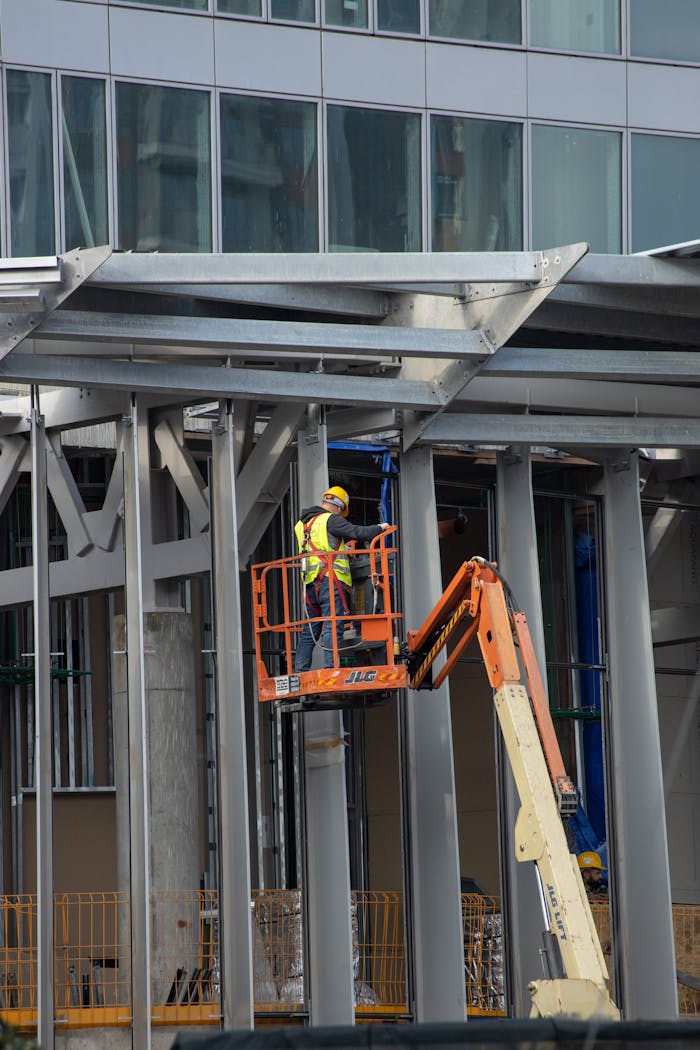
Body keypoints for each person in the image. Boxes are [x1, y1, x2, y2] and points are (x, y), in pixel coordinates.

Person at [293, 485, 392, 672]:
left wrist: (342, 549)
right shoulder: (330, 520)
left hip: (310, 584)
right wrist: (380, 528)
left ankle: (300, 670)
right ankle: (332, 669)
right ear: (339, 507)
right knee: (333, 625)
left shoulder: (302, 525)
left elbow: (321, 545)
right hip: (330, 581)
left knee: (310, 630)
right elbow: (357, 533)